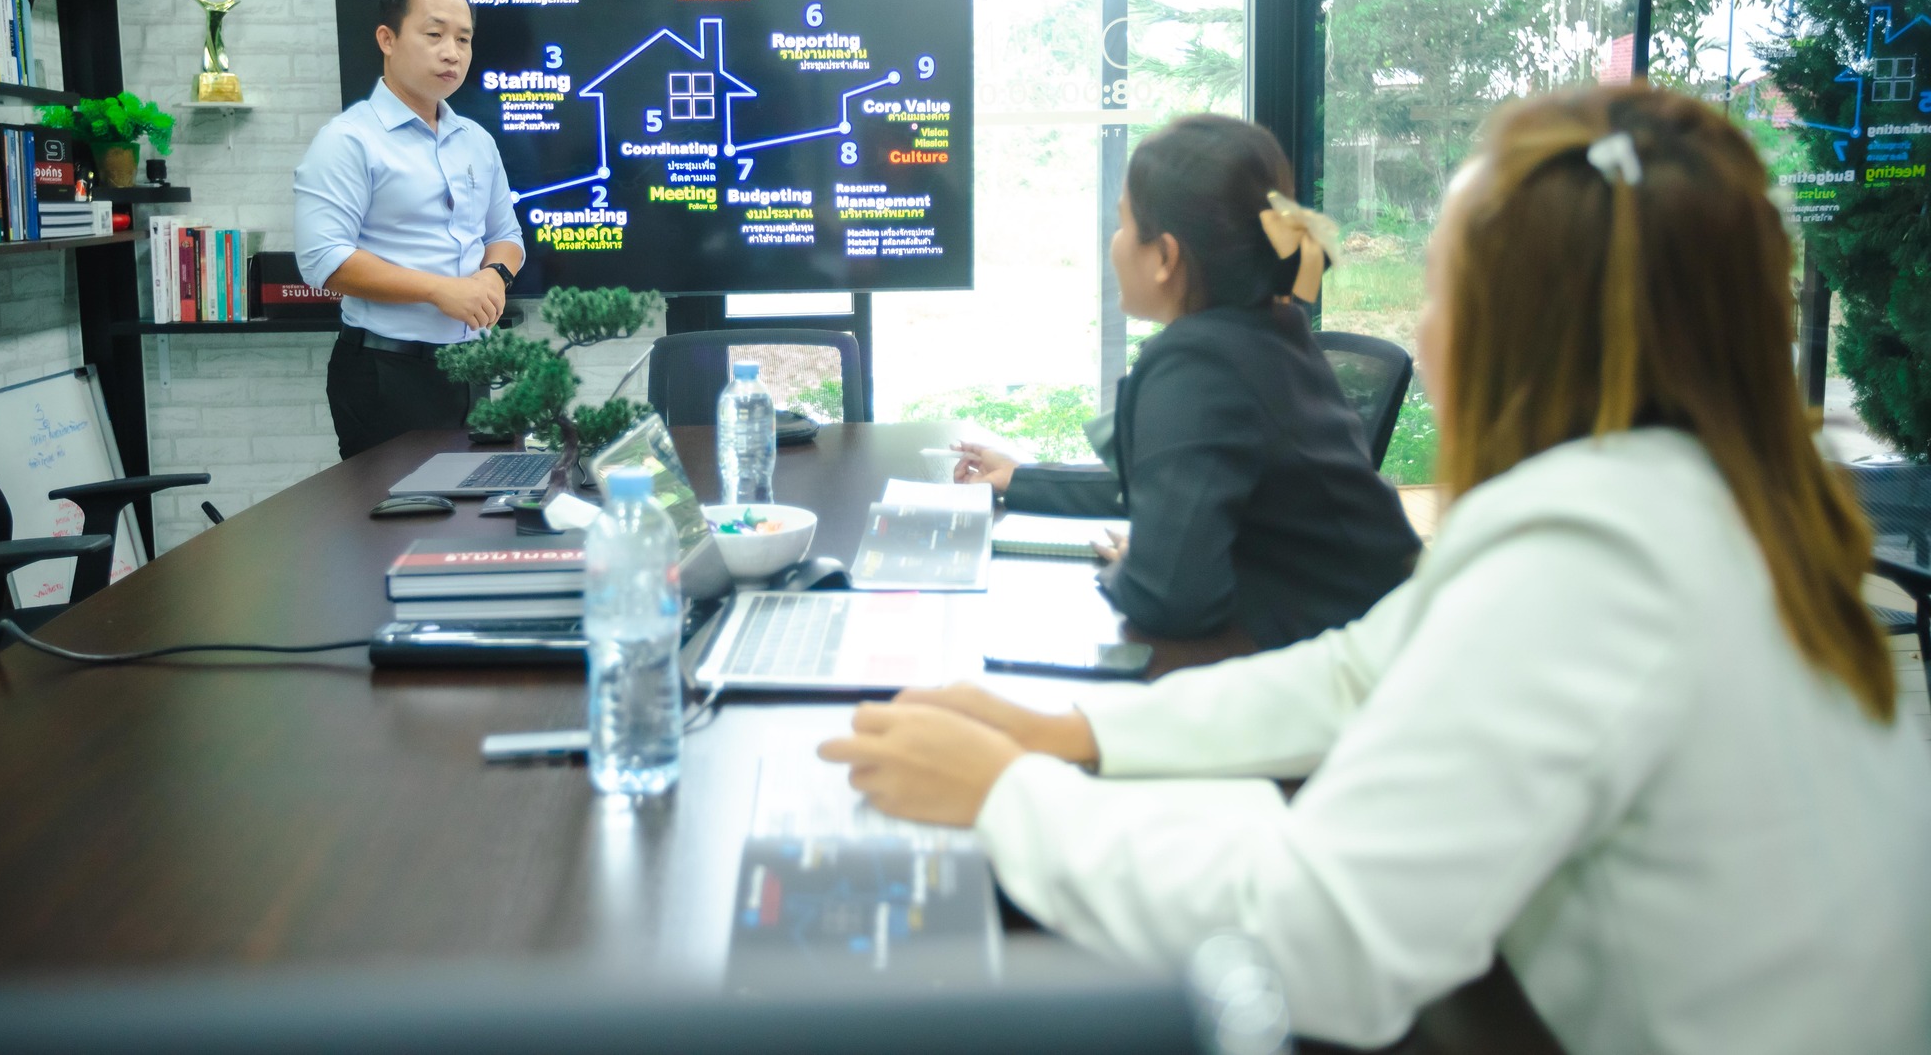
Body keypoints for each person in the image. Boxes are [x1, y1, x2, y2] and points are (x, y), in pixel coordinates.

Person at [820, 85, 1931, 1054]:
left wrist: (1007, 800)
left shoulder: (1596, 559)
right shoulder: (1693, 501)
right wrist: (1074, 735)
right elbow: (1362, 672)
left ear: (1517, 328)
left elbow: (1331, 941)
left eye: (1441, 292)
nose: (1427, 326)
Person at [961, 114, 1419, 646]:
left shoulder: (1195, 366)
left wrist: (1140, 569)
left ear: (1165, 256)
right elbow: (1175, 481)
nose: (1114, 244)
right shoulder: (1266, 337)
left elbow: (1168, 600)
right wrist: (1021, 479)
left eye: (1124, 224)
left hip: (1341, 681)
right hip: (1382, 646)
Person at [294, 0, 524, 460]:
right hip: (386, 373)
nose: (452, 53)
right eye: (435, 34)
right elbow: (323, 260)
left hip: (471, 369)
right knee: (398, 530)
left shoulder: (477, 141)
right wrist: (441, 291)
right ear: (387, 39)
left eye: (463, 39)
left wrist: (493, 278)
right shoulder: (349, 141)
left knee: (470, 524)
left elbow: (507, 236)